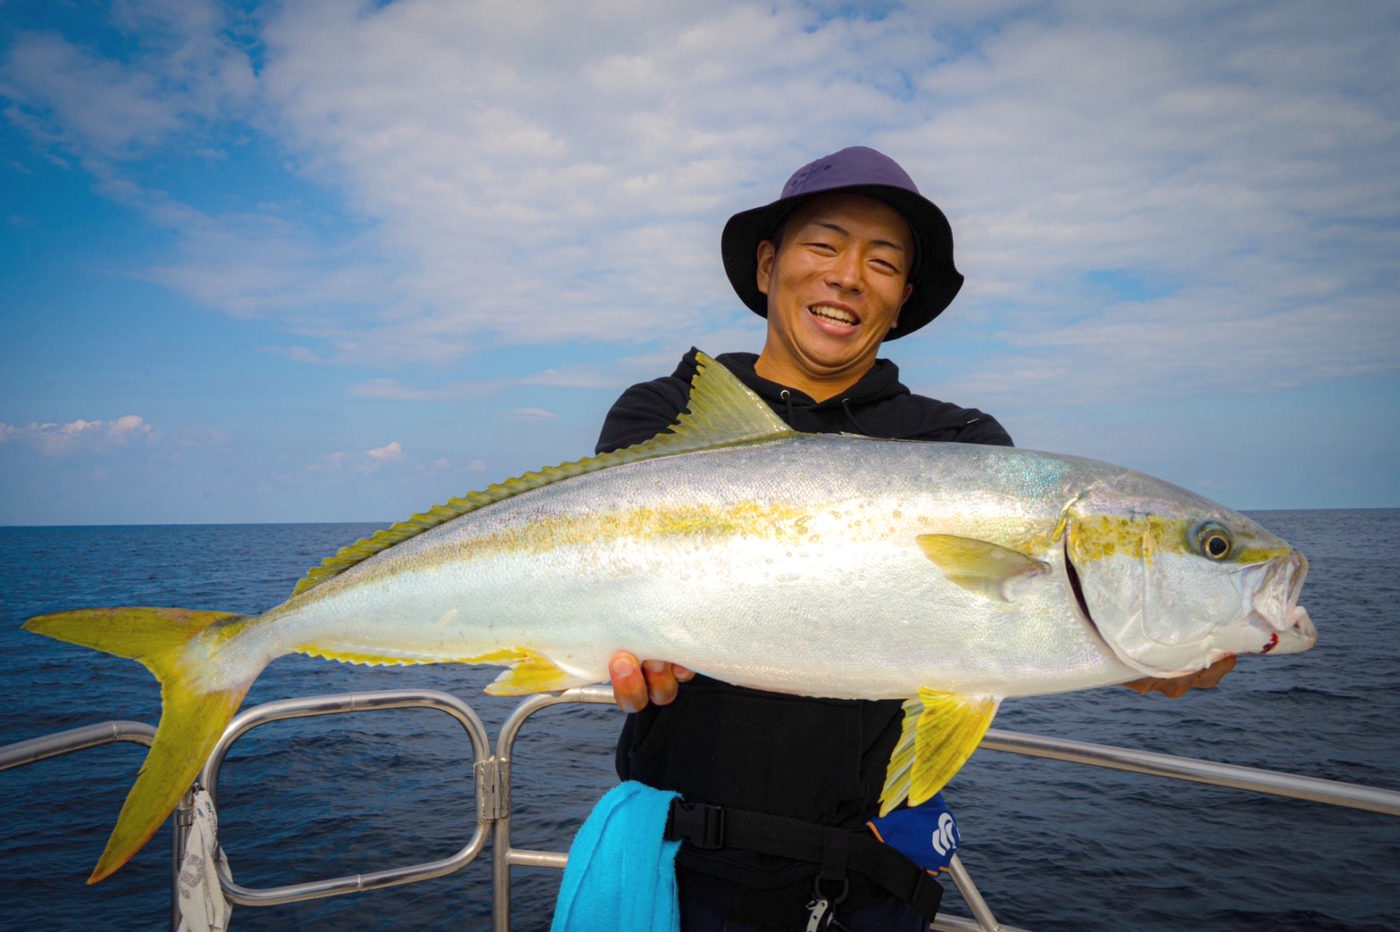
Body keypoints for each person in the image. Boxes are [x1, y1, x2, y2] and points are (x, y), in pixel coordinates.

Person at [595, 146, 1233, 930]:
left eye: (884, 262)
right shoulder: (667, 416)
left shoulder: (962, 446)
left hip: (871, 882)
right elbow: (610, 583)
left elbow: (1011, 625)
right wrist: (622, 644)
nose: (848, 275)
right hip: (676, 868)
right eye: (824, 245)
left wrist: (1136, 648)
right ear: (768, 266)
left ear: (900, 302)